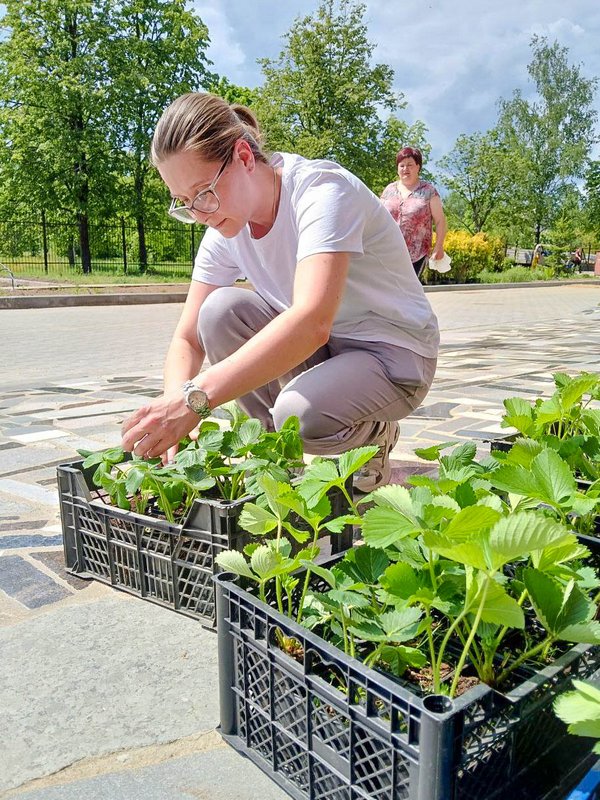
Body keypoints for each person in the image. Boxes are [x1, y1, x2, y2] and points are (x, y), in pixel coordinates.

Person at [120, 93, 439, 492]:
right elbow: (187, 337)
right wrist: (173, 407)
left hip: (393, 355)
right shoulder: (224, 227)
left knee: (297, 414)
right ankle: (279, 464)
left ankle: (374, 434)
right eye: (184, 202)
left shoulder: (321, 192)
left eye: (203, 193)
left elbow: (311, 322)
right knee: (219, 312)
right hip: (329, 352)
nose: (199, 213)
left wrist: (194, 401)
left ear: (243, 157)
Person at [380, 147, 447, 277]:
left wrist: (438, 247)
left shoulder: (428, 191)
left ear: (418, 167)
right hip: (387, 252)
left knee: (407, 293)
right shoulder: (389, 190)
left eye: (410, 165)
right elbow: (377, 217)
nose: (405, 169)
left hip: (416, 255)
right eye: (402, 165)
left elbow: (440, 221)